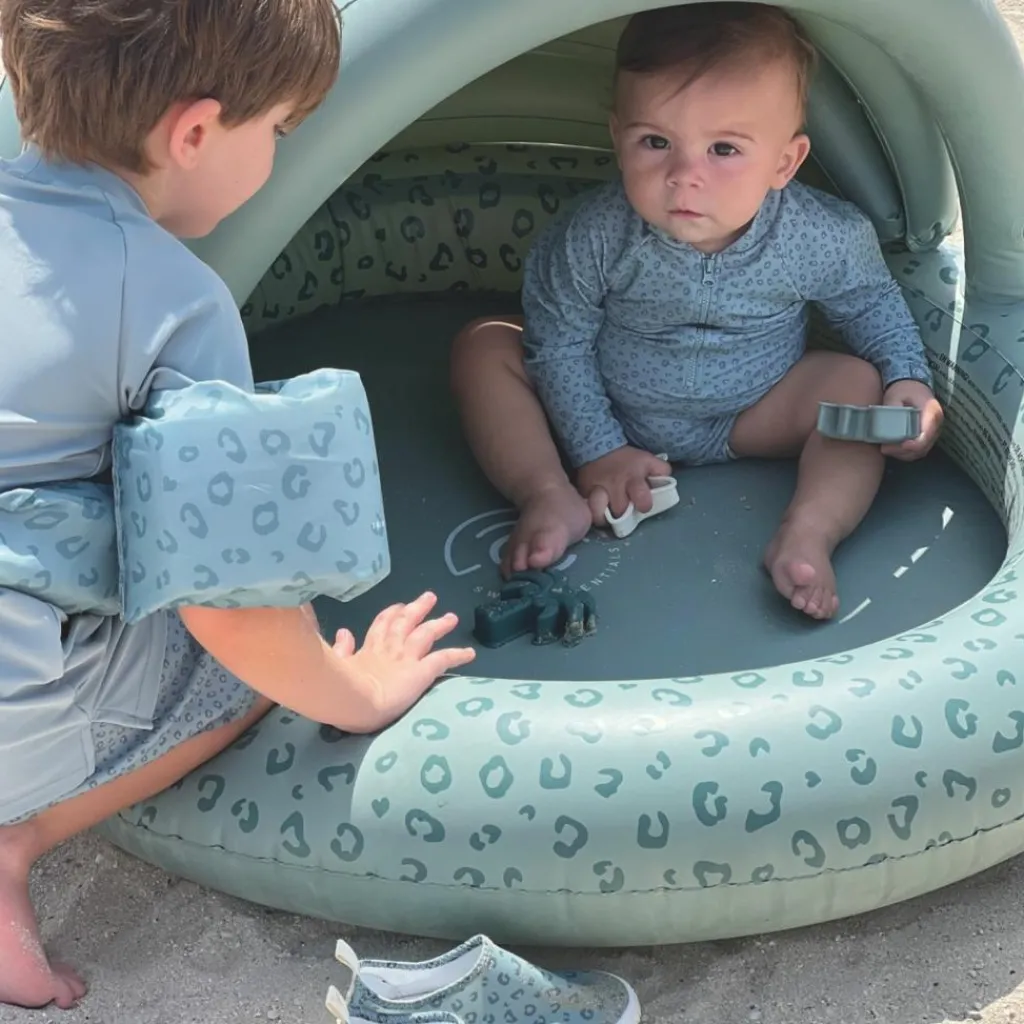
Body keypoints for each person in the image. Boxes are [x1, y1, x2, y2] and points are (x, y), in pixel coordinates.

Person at [0, 0, 476, 1010]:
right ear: (195, 132)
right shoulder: (172, 298)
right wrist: (355, 693)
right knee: (254, 660)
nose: (279, 150)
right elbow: (230, 607)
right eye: (281, 130)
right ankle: (19, 840)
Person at [450, 2, 944, 622]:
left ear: (784, 163)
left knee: (858, 385)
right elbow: (559, 343)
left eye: (724, 149)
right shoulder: (593, 234)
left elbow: (871, 304)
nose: (684, 176)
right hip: (606, 403)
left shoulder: (821, 236)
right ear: (618, 138)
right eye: (656, 142)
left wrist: (907, 377)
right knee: (485, 344)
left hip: (752, 412)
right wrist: (598, 448)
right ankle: (547, 494)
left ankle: (809, 531)